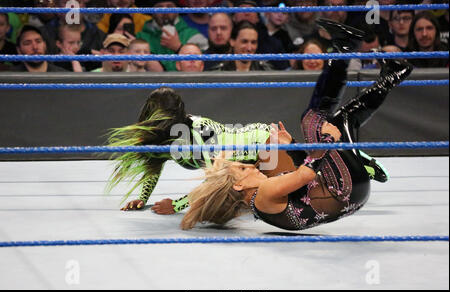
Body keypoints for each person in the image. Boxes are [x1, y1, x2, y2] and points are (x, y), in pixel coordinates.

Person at [106, 19, 391, 215]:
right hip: (249, 152)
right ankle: (354, 159)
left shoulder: (199, 135)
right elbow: (155, 163)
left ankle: (357, 164)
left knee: (297, 190)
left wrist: (177, 205)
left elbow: (215, 183)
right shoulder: (167, 137)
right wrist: (142, 199)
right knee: (295, 175)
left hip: (259, 143)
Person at [180, 37, 413, 231]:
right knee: (316, 121)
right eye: (242, 168)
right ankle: (346, 52)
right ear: (239, 186)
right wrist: (329, 140)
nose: (250, 166)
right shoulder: (264, 193)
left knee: (325, 120)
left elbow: (303, 186)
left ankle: (368, 63)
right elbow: (306, 175)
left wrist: (291, 145)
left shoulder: (258, 202)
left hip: (347, 194)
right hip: (346, 191)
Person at [136, 0, 209, 71]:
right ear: (152, 12)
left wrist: (178, 47)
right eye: (159, 7)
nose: (165, 11)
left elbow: (206, 64)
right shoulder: (142, 37)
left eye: (169, 6)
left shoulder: (192, 34)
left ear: (177, 11)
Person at [40, 0, 106, 71]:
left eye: (77, 2)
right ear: (57, 6)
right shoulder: (43, 34)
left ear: (84, 6)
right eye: (66, 2)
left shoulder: (99, 36)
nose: (72, 7)